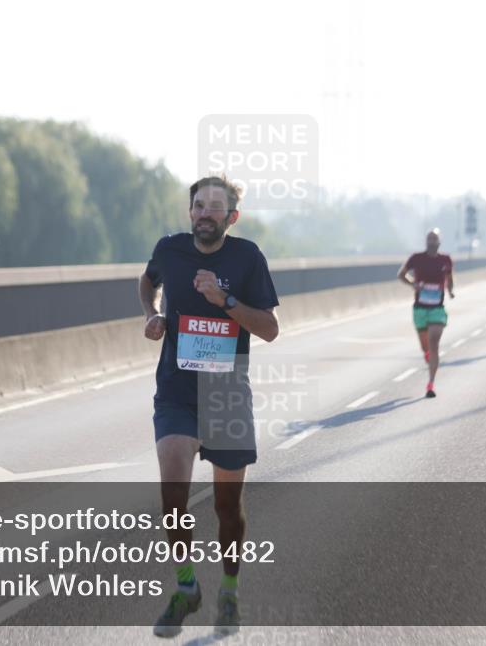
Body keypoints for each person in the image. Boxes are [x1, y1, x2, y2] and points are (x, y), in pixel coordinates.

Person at [139, 175, 280, 637]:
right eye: (198, 205)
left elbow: (270, 328)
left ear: (231, 218)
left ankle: (229, 589)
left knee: (226, 507)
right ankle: (186, 588)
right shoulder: (169, 250)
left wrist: (226, 300)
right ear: (191, 212)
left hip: (227, 396)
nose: (205, 213)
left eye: (215, 207)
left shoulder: (247, 258)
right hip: (177, 392)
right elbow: (147, 281)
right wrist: (153, 314)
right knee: (173, 496)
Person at [397, 230, 454, 398]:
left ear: (439, 242)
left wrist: (450, 290)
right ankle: (427, 354)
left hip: (437, 307)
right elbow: (401, 275)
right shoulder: (416, 258)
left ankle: (430, 384)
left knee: (434, 341)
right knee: (425, 346)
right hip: (420, 308)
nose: (431, 242)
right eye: (429, 239)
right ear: (426, 242)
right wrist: (413, 285)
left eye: (434, 239)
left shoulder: (446, 260)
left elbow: (449, 278)